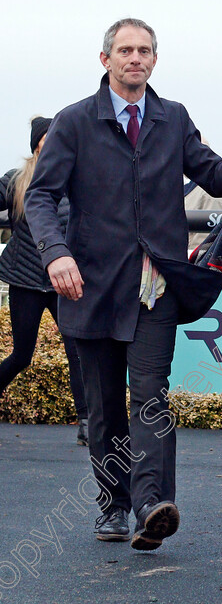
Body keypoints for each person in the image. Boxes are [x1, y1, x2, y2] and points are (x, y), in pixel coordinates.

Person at [24, 18, 222, 550]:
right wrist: (55, 255)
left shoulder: (174, 117)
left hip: (153, 286)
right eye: (125, 51)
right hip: (88, 287)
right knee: (103, 408)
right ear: (106, 60)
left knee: (150, 398)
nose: (135, 59)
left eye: (144, 51)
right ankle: (114, 505)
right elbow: (40, 198)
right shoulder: (74, 123)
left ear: (154, 61)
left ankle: (151, 506)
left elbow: (212, 175)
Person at [0, 117, 88, 445]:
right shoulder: (15, 181)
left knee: (76, 351)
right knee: (22, 354)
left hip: (63, 281)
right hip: (25, 280)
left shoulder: (78, 177)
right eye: (47, 137)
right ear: (37, 144)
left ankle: (87, 423)